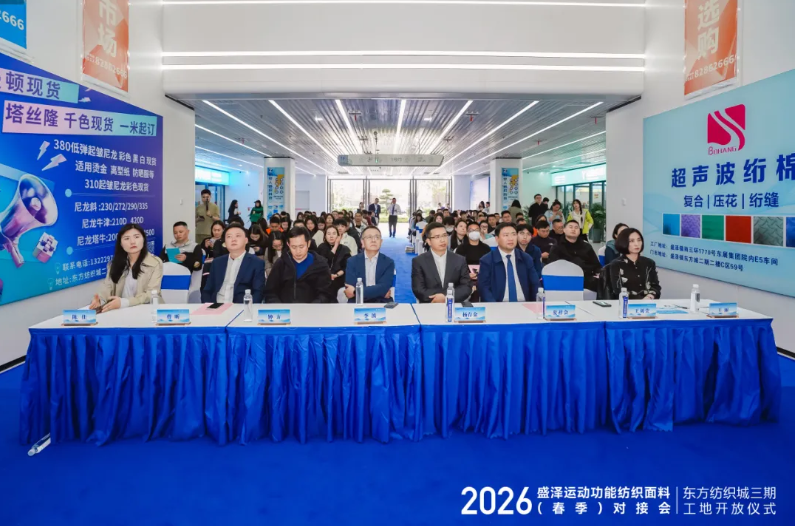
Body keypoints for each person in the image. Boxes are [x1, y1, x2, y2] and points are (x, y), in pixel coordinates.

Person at [89, 224, 163, 312]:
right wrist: (100, 300)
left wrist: (124, 302)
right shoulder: (114, 264)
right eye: (127, 238)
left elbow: (151, 293)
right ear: (121, 243)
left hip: (148, 310)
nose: (132, 242)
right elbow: (107, 286)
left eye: (136, 237)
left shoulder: (155, 263)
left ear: (143, 239)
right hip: (120, 311)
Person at [263, 226, 332, 303]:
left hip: (313, 308)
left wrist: (312, 307)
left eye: (301, 246)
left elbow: (325, 294)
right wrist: (281, 307)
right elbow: (270, 292)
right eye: (294, 247)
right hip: (286, 309)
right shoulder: (281, 264)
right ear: (288, 245)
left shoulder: (320, 265)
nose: (298, 251)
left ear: (308, 243)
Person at [201, 224, 265, 303]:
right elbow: (207, 291)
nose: (233, 239)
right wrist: (209, 306)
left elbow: (258, 293)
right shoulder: (217, 262)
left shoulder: (256, 263)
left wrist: (247, 308)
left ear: (246, 240)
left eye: (238, 236)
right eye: (229, 236)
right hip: (216, 306)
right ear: (225, 242)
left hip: (241, 307)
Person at [477, 222, 539, 302]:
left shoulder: (526, 258)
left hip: (524, 304)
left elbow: (535, 284)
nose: (511, 238)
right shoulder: (487, 260)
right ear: (497, 239)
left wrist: (534, 305)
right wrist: (494, 306)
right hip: (497, 305)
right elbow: (483, 288)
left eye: (513, 234)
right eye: (506, 235)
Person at [411, 222, 471, 303]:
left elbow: (466, 287)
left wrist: (446, 297)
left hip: (454, 305)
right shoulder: (419, 261)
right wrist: (438, 298)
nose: (442, 240)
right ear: (429, 241)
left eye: (444, 235)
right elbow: (418, 289)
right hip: (429, 306)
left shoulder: (460, 260)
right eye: (437, 237)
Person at [599, 228, 661, 301]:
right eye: (631, 241)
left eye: (639, 240)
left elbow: (656, 287)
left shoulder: (649, 263)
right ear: (623, 243)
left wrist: (649, 297)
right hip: (626, 304)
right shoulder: (616, 265)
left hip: (649, 303)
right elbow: (618, 291)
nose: (636, 244)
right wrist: (641, 300)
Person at [344, 226, 395, 303]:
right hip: (357, 302)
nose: (373, 240)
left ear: (381, 242)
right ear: (362, 242)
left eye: (377, 237)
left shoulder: (388, 262)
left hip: (381, 302)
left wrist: (356, 292)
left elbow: (383, 288)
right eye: (369, 237)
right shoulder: (352, 261)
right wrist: (379, 293)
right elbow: (350, 287)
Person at [547, 220, 602, 291]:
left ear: (579, 231)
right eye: (570, 227)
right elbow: (552, 267)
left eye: (576, 227)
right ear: (564, 230)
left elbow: (596, 265)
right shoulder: (557, 247)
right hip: (565, 279)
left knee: (602, 283)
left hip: (586, 277)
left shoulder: (586, 246)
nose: (573, 229)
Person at [316, 223, 352, 299]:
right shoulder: (321, 247)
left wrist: (336, 275)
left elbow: (346, 267)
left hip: (339, 279)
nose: (331, 236)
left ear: (338, 236)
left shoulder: (344, 249)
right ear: (325, 236)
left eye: (334, 233)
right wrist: (335, 246)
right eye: (328, 234)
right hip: (324, 279)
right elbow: (324, 262)